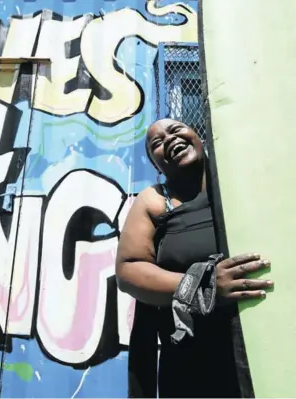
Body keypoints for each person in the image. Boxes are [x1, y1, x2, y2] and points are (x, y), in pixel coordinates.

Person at [115, 119, 274, 398]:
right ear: (156, 165)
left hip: (270, 351)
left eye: (175, 130)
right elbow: (129, 271)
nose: (168, 138)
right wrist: (203, 287)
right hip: (193, 366)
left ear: (197, 136)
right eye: (156, 143)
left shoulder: (246, 179)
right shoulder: (154, 200)